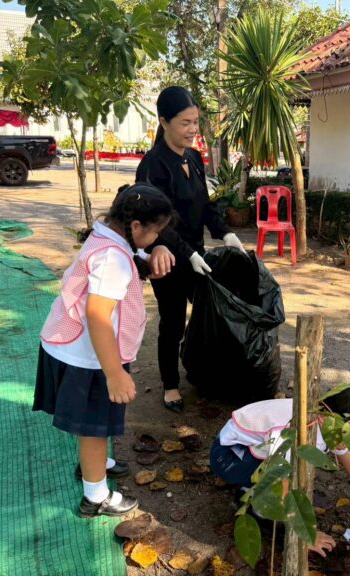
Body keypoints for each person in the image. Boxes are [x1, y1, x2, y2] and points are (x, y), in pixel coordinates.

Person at [33, 184, 174, 518]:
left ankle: (93, 465)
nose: (156, 237)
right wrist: (114, 374)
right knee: (94, 429)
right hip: (89, 359)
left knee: (92, 425)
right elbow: (97, 315)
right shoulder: (113, 260)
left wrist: (152, 252)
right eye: (155, 232)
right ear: (135, 226)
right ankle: (96, 496)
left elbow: (128, 259)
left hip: (72, 346)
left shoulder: (107, 238)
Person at [135, 86, 245, 413]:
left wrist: (225, 233)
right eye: (185, 123)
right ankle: (170, 385)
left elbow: (205, 205)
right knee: (172, 323)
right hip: (166, 257)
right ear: (164, 122)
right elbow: (159, 222)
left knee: (212, 313)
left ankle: (206, 370)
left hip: (196, 254)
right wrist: (189, 254)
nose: (192, 129)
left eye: (195, 122)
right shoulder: (153, 166)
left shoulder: (194, 158)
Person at [209, 385, 350, 556]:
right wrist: (305, 535)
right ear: (331, 419)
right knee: (284, 480)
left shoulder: (328, 422)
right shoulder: (297, 431)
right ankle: (257, 506)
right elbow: (281, 480)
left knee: (292, 470)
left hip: (251, 447)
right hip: (227, 456)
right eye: (349, 434)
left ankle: (253, 489)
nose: (349, 443)